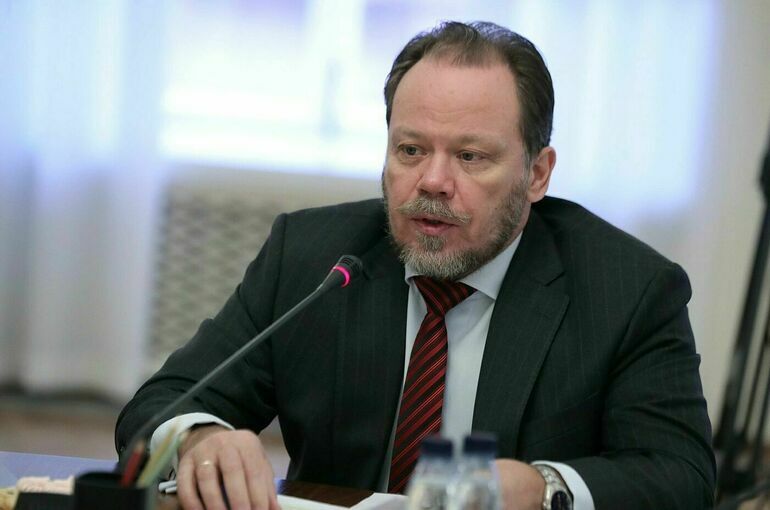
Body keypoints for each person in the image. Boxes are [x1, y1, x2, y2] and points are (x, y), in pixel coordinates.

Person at [116, 21, 715, 510]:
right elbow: (160, 404)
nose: (432, 181)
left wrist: (542, 489)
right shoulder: (312, 255)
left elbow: (681, 477)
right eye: (410, 150)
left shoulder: (628, 290)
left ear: (537, 174)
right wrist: (199, 438)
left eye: (470, 156)